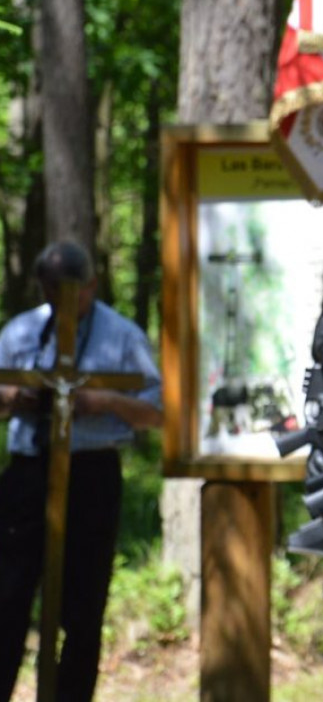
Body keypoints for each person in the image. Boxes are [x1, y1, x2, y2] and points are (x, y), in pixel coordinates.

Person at [0, 241, 163, 702]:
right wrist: (17, 399)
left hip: (92, 474)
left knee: (84, 603)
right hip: (29, 471)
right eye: (51, 290)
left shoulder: (121, 336)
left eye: (71, 289)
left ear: (91, 284)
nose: (61, 299)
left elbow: (157, 411)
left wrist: (104, 402)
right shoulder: (20, 332)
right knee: (7, 597)